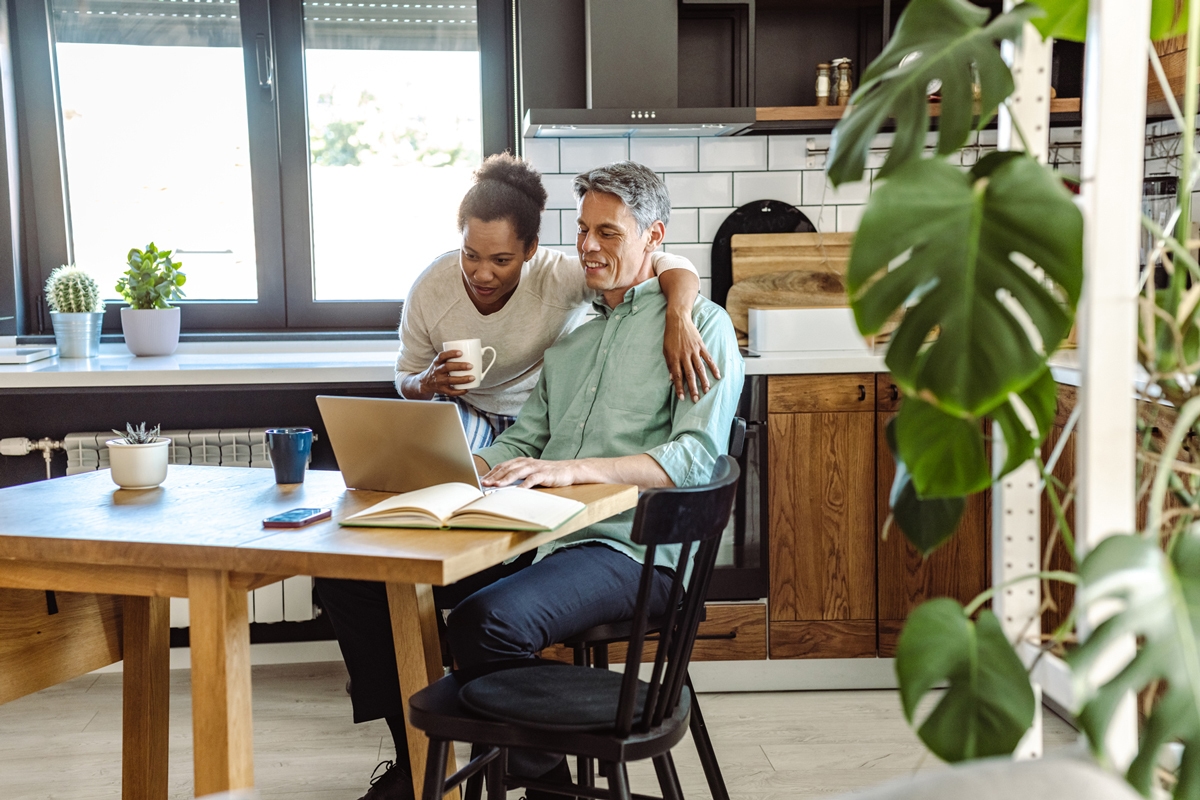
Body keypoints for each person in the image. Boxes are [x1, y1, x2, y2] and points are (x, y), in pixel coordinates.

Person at [316, 161, 743, 800]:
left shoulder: (698, 328)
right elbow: (523, 440)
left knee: (485, 624)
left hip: (630, 551)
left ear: (654, 238)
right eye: (583, 231)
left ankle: (539, 785)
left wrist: (575, 469)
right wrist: (451, 472)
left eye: (609, 233)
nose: (590, 247)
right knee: (361, 579)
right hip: (545, 540)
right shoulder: (571, 341)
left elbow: (693, 457)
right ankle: (417, 758)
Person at [393, 152, 720, 450]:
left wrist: (679, 316)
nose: (482, 274)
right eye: (470, 255)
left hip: (537, 419)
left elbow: (666, 264)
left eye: (502, 260)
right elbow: (404, 375)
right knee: (436, 472)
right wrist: (425, 382)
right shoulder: (431, 290)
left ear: (530, 250)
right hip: (469, 410)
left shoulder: (560, 277)